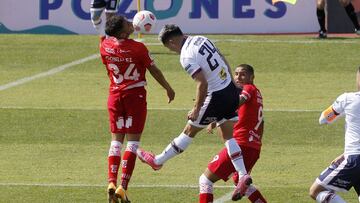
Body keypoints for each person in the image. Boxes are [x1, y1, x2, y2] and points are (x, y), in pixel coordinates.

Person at [136, 24, 252, 201]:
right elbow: (221, 57)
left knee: (190, 131)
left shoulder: (186, 55)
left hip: (216, 96)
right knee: (229, 136)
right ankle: (243, 175)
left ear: (173, 41)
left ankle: (158, 161)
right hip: (229, 89)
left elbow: (202, 83)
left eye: (169, 47)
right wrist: (231, 82)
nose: (171, 50)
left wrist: (197, 109)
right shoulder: (201, 38)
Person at [100, 15, 175, 203]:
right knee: (132, 143)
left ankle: (110, 181)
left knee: (116, 141)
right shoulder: (138, 48)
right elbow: (154, 70)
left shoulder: (104, 45)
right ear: (123, 31)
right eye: (127, 22)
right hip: (135, 96)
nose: (131, 22)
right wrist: (168, 87)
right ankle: (122, 187)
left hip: (114, 96)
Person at [203, 64, 267, 203]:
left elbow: (238, 102)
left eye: (243, 74)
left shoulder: (248, 89)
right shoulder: (258, 94)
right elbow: (261, 123)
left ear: (252, 77)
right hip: (253, 148)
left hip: (240, 145)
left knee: (205, 180)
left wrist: (215, 114)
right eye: (236, 74)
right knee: (241, 181)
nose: (238, 77)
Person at [309, 67, 360, 202]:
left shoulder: (347, 99)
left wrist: (341, 110)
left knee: (316, 191)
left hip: (355, 159)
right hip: (353, 155)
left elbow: (324, 119)